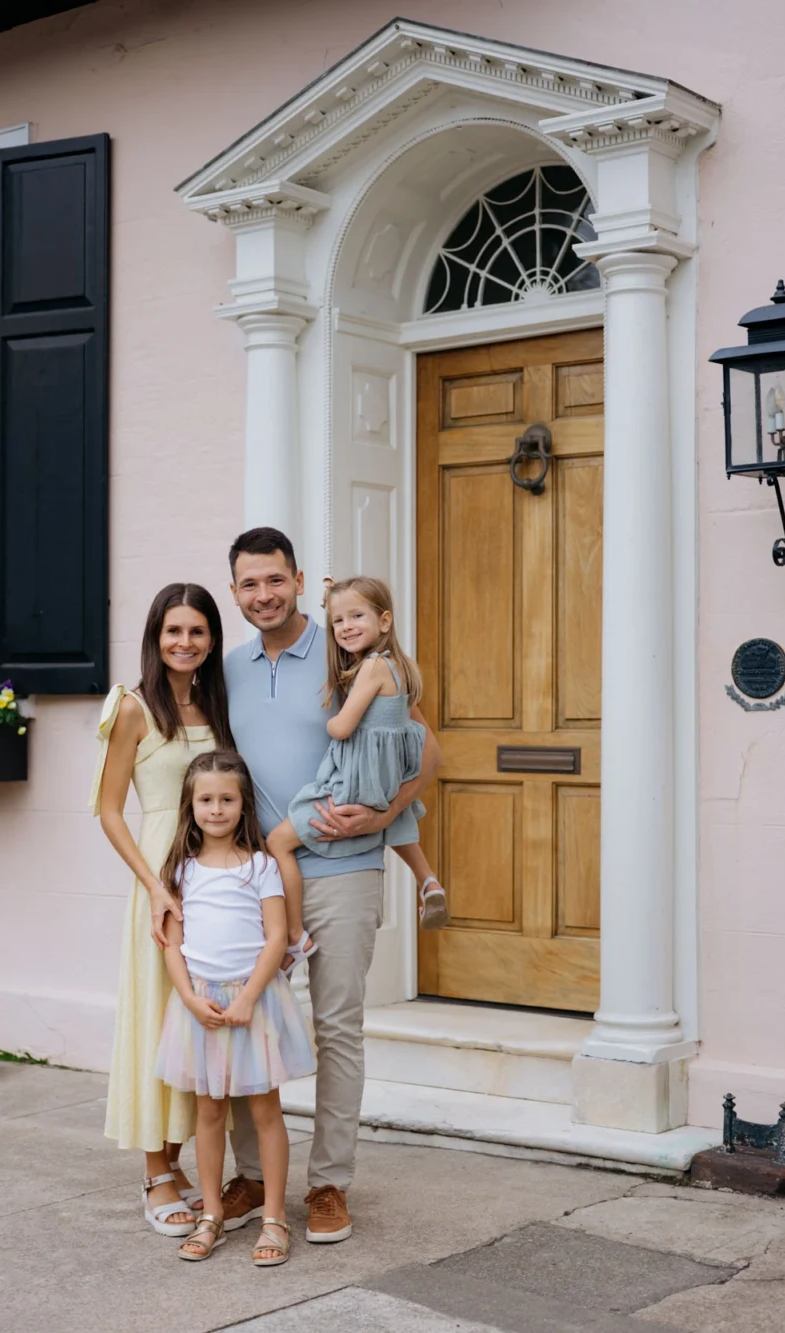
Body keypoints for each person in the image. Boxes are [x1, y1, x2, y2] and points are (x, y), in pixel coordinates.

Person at [222, 528, 442, 1244]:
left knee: (337, 1026)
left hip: (343, 867)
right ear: (235, 591)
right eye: (249, 584)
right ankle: (255, 1175)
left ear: (299, 579)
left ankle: (328, 1182)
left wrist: (383, 810)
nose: (264, 595)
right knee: (245, 1020)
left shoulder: (347, 649)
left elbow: (425, 749)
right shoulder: (230, 668)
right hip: (256, 877)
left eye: (275, 580)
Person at [91, 583, 234, 1237]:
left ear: (211, 638)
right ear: (155, 635)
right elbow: (109, 808)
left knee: (198, 1020)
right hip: (162, 878)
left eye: (197, 631)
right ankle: (156, 1170)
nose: (185, 642)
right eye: (173, 630)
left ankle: (184, 1159)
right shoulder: (133, 707)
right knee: (159, 1017)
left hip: (215, 875)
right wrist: (154, 884)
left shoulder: (215, 701)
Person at [155, 751, 314, 1265]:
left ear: (243, 806)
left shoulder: (261, 866)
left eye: (227, 799)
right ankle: (212, 1217)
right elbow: (171, 945)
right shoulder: (179, 870)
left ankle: (274, 1217)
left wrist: (247, 999)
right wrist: (188, 997)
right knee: (209, 1110)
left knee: (266, 1109)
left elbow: (276, 939)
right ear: (191, 804)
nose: (216, 809)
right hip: (200, 1004)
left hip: (253, 1003)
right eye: (206, 799)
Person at [267, 574, 448, 964]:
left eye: (357, 617)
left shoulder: (371, 668)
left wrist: (329, 723)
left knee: (277, 842)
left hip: (356, 780)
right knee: (394, 820)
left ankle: (296, 935)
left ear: (384, 621)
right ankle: (428, 881)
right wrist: (329, 601)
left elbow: (343, 726)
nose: (346, 627)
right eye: (337, 621)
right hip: (386, 779)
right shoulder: (402, 667)